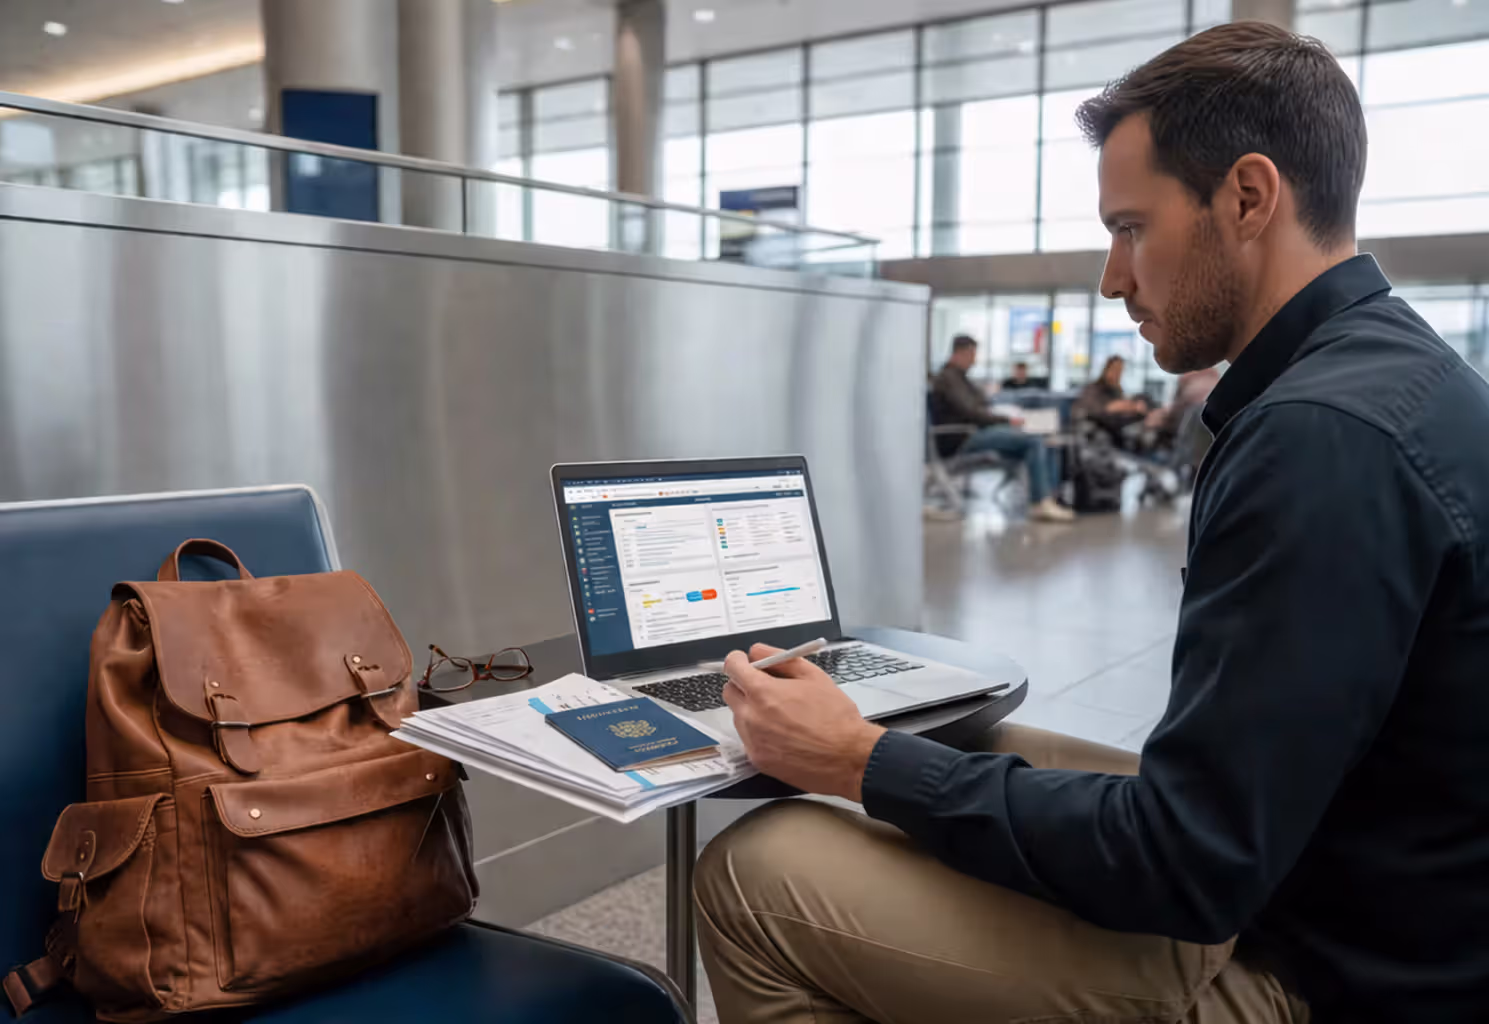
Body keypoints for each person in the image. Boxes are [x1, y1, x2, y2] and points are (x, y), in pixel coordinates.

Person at [695, 22, 1489, 1024]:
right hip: (1354, 884)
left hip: (1313, 974)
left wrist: (860, 762)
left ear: (1247, 197)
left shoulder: (1317, 438)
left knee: (754, 870)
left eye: (1128, 228)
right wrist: (901, 768)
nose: (1113, 279)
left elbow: (1188, 863)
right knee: (998, 742)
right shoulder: (1403, 377)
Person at [931, 336, 1074, 523]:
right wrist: (1005, 419)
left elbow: (981, 405)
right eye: (972, 355)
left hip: (975, 431)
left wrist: (1001, 415)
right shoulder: (948, 378)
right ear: (960, 353)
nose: (974, 361)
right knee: (1033, 440)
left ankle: (1049, 498)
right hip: (963, 437)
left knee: (1045, 441)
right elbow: (972, 412)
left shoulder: (960, 378)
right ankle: (1040, 502)